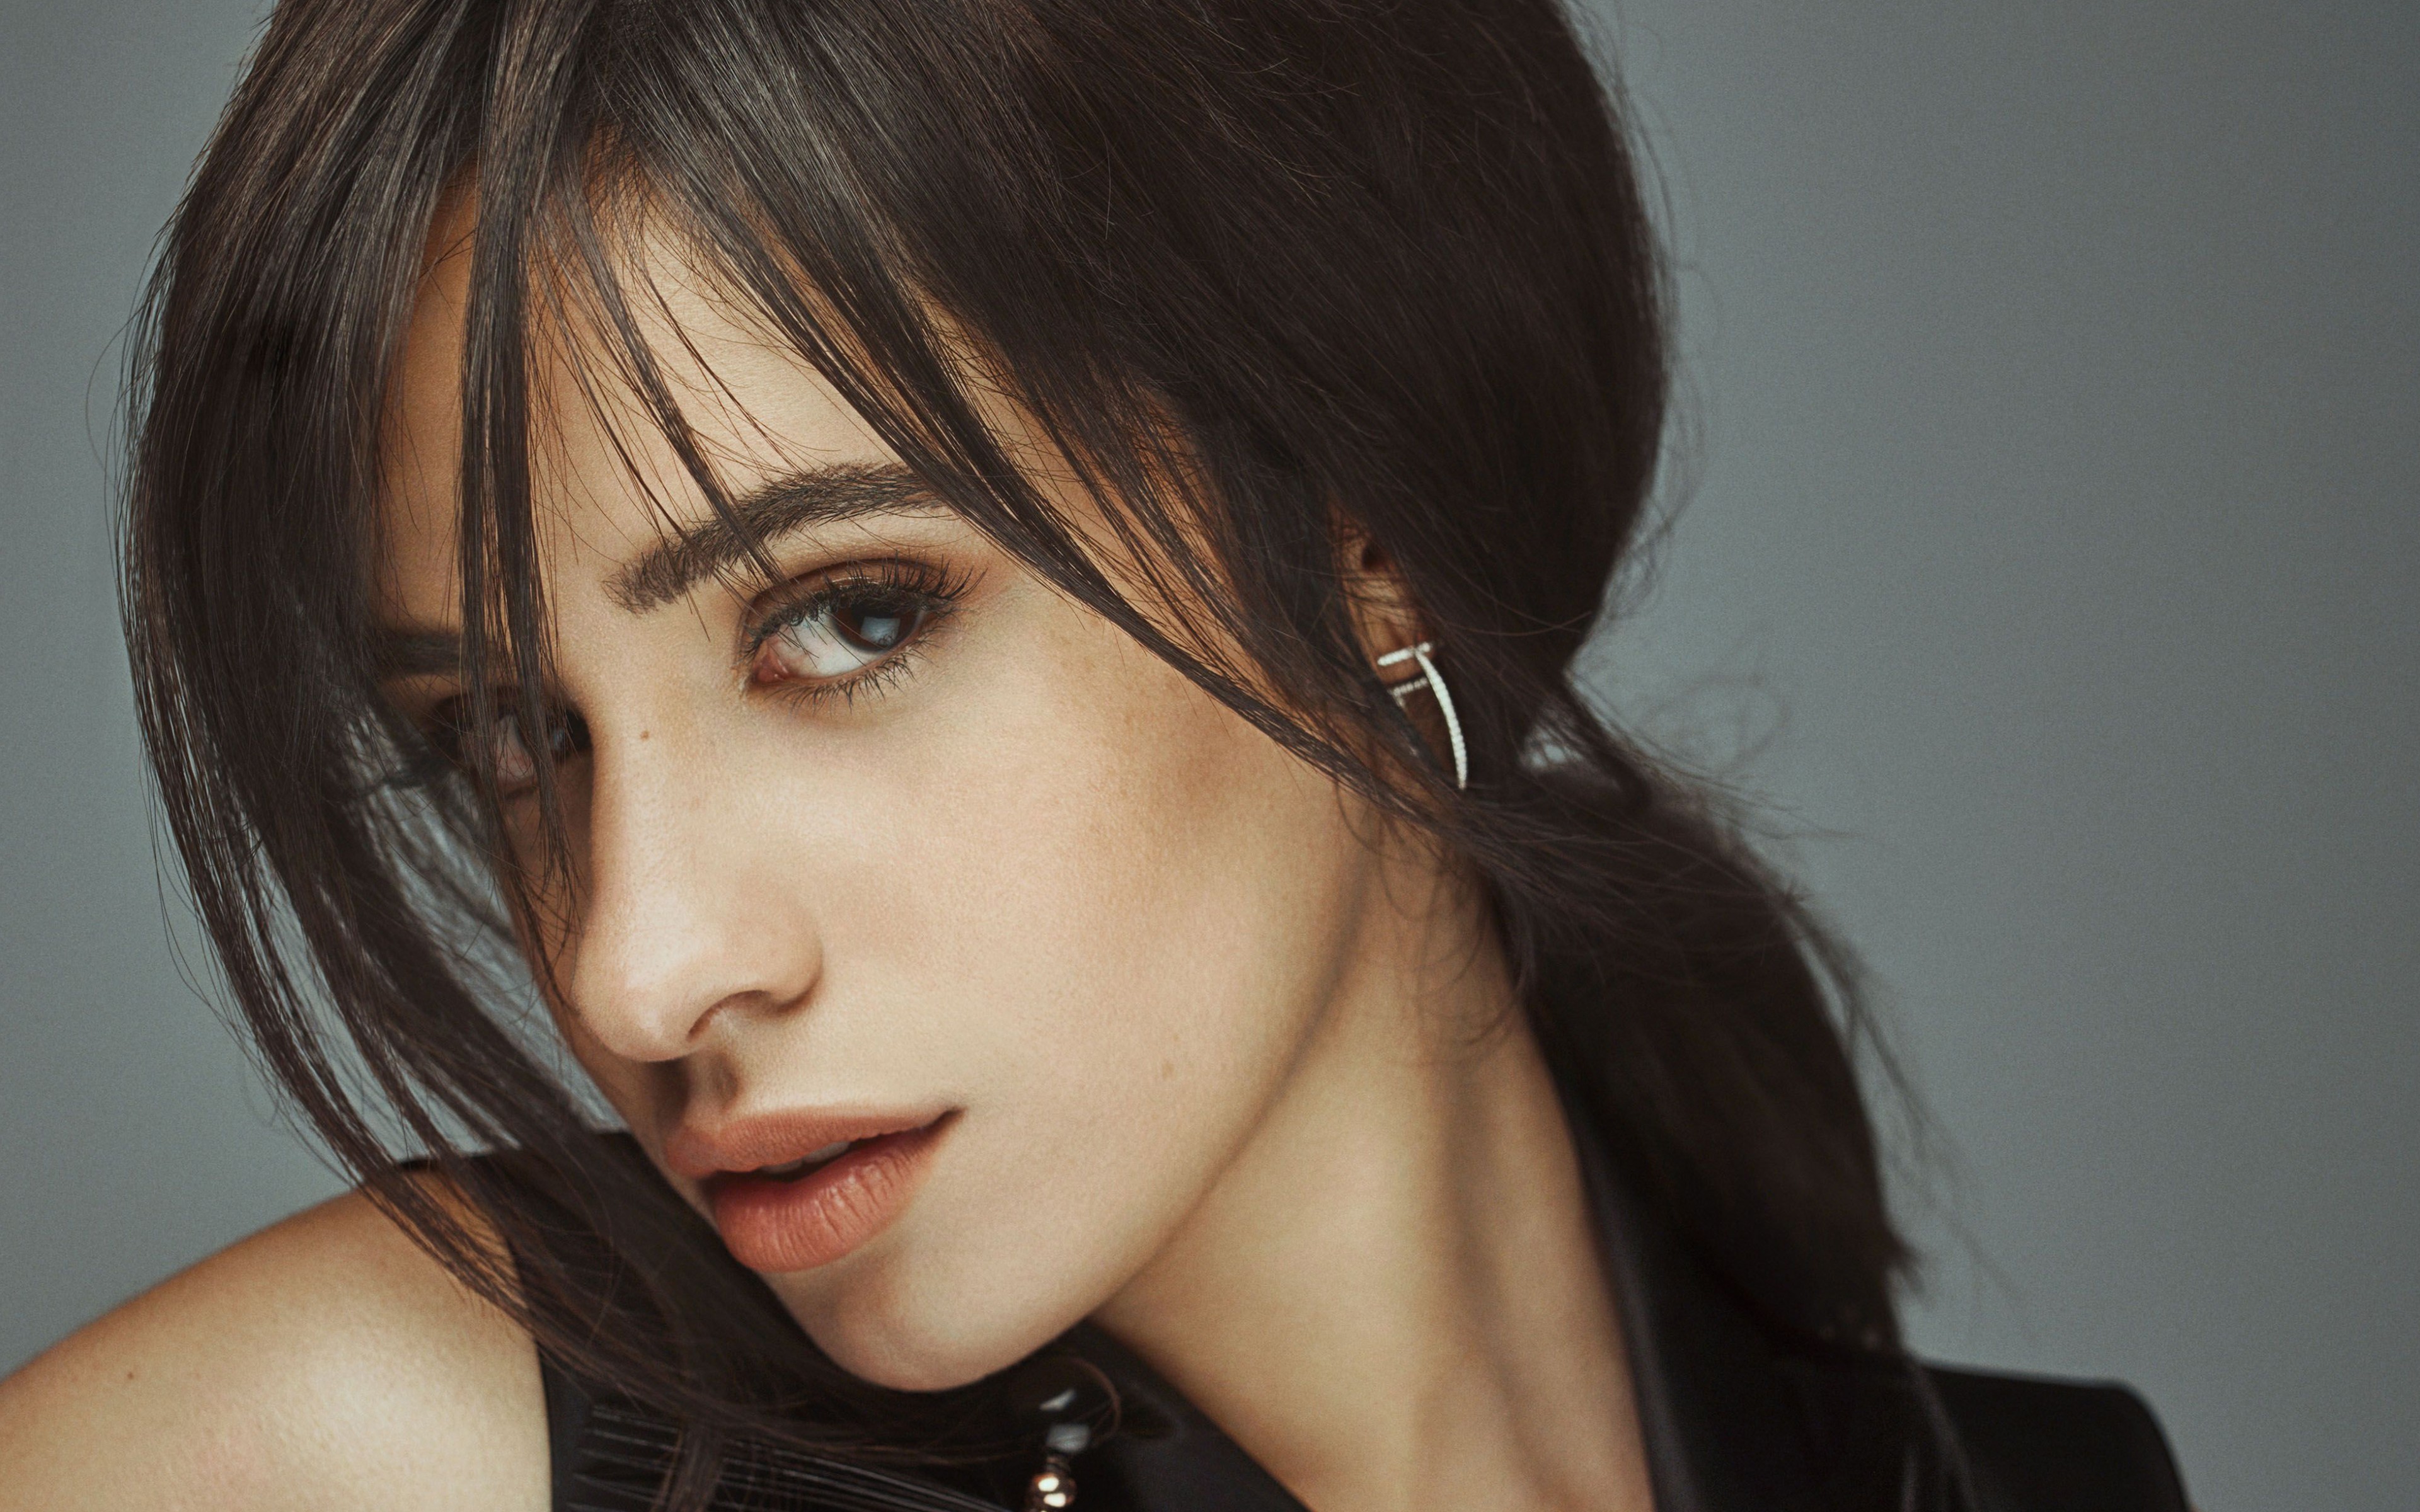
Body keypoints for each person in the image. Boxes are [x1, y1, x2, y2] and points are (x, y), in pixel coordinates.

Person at [0, 1, 2192, 1508]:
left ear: (1368, 527)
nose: (634, 968)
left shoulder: (2024, 1489)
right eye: (507, 733)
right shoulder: (385, 1443)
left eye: (853, 616)